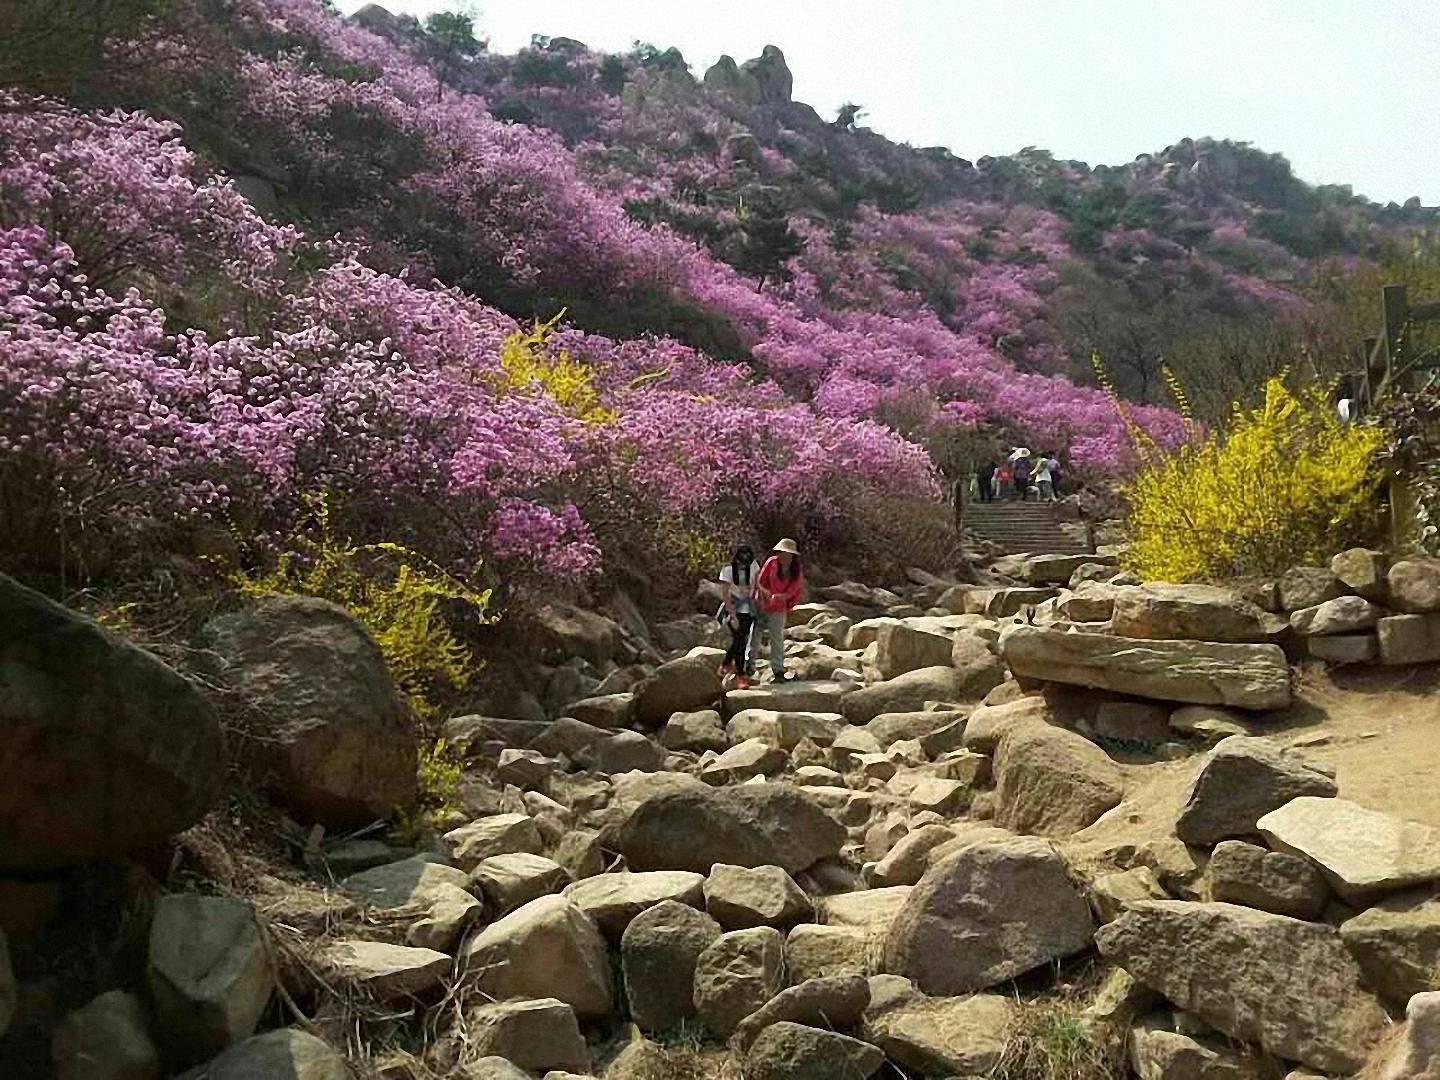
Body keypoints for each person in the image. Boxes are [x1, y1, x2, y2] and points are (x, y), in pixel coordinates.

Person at [755, 538, 805, 682]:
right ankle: (747, 670)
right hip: (763, 604)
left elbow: (796, 588)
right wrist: (765, 594)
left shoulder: (796, 569)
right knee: (754, 637)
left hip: (779, 608)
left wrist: (783, 597)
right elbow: (760, 581)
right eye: (782, 553)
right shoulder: (771, 562)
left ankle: (778, 671)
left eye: (787, 554)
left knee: (776, 639)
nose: (784, 556)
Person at [718, 544, 761, 688]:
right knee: (740, 642)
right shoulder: (728, 570)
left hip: (748, 609)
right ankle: (740, 676)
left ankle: (726, 664)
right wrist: (733, 616)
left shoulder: (754, 566)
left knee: (740, 639)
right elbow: (725, 595)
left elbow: (756, 585)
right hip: (733, 609)